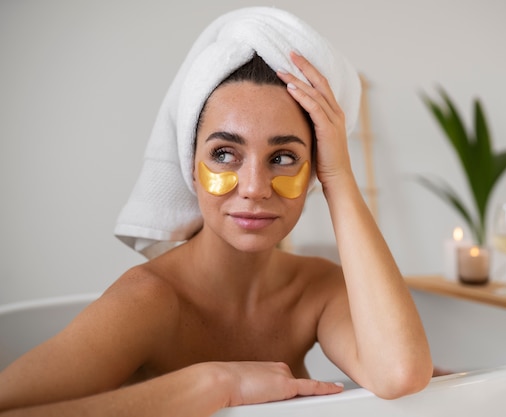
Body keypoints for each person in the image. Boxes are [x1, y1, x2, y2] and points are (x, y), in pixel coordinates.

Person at [0, 7, 432, 416]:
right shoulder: (148, 301)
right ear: (190, 163)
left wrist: (338, 176)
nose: (254, 189)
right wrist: (211, 384)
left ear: (314, 170)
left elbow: (399, 373)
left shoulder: (317, 288)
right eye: (225, 153)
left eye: (283, 157)